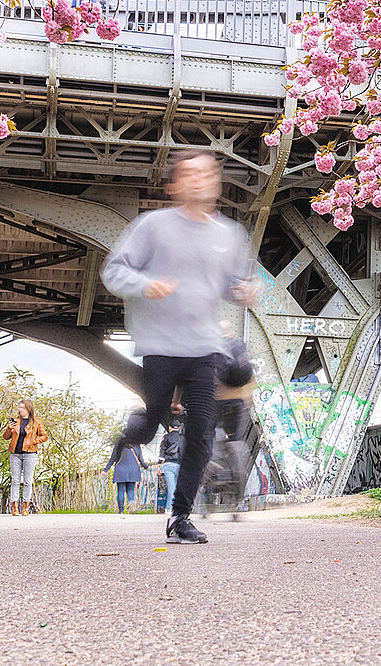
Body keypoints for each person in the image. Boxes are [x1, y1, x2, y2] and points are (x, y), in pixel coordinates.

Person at [101, 149, 260, 545]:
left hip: (204, 346)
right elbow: (114, 270)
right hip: (159, 343)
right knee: (155, 418)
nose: (198, 180)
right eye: (189, 174)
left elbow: (229, 282)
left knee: (202, 431)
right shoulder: (152, 226)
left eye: (207, 174)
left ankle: (181, 517)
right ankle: (135, 427)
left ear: (217, 183)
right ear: (174, 185)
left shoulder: (229, 235)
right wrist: (145, 285)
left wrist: (243, 291)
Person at [1, 399, 49, 516]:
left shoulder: (37, 422)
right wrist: (9, 428)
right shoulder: (16, 421)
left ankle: (26, 507)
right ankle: (15, 508)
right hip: (15, 454)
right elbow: (6, 437)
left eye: (22, 407)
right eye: (19, 407)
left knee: (27, 481)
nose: (19, 409)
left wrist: (34, 441)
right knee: (15, 480)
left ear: (28, 409)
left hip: (30, 454)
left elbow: (45, 436)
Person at [156, 406, 185, 514]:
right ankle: (179, 510)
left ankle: (168, 509)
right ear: (178, 428)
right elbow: (183, 452)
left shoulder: (165, 437)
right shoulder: (182, 438)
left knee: (171, 488)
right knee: (179, 488)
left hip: (168, 465)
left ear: (170, 428)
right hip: (179, 465)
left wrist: (159, 466)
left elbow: (162, 453)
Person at [104, 441, 146, 516]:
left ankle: (121, 510)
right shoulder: (136, 445)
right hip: (133, 470)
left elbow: (112, 459)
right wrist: (146, 467)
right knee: (130, 490)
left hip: (121, 470)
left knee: (121, 491)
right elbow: (141, 459)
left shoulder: (118, 445)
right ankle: (131, 503)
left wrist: (105, 470)